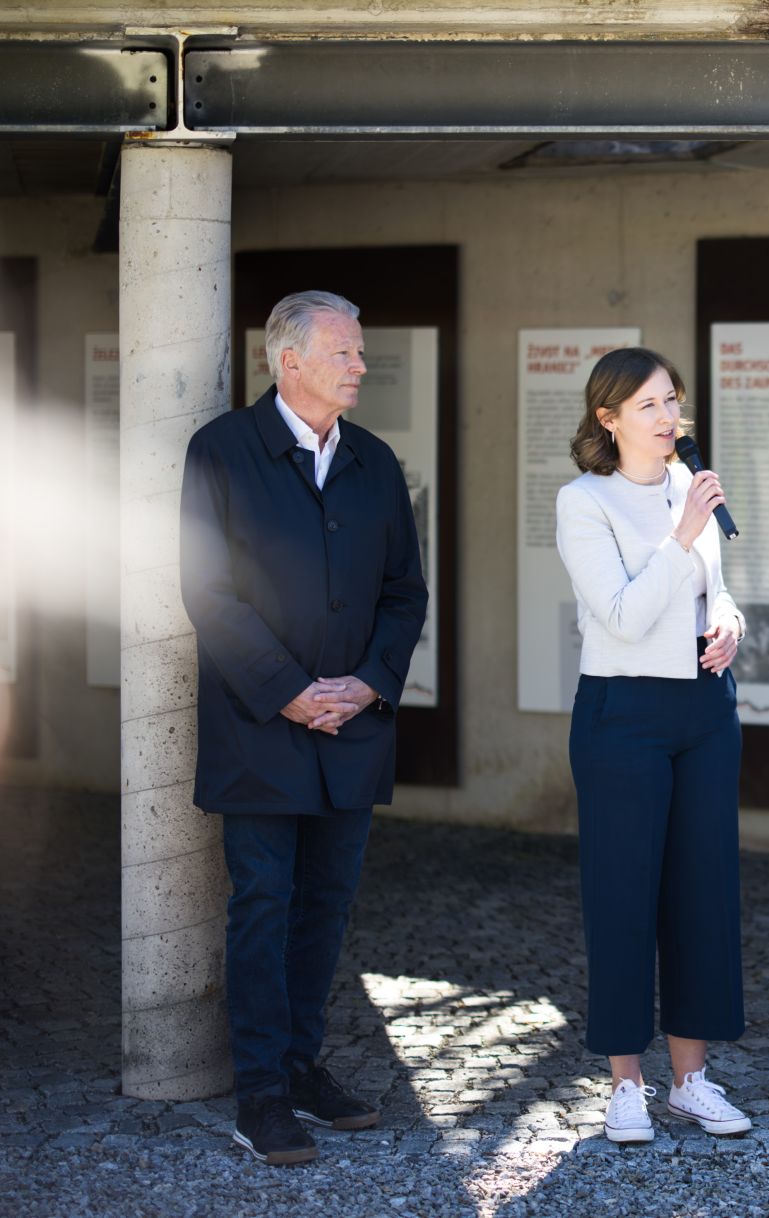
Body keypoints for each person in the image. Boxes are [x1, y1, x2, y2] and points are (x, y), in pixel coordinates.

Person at [180, 290, 428, 1166]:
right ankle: (260, 1095)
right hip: (259, 724)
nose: (361, 365)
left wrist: (368, 684)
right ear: (289, 362)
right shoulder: (222, 450)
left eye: (359, 352)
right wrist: (288, 690)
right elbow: (207, 590)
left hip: (352, 725)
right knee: (263, 902)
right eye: (345, 352)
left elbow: (405, 592)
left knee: (326, 903)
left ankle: (300, 1065)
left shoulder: (374, 460)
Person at [555, 347, 751, 1145]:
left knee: (703, 893)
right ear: (609, 419)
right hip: (623, 714)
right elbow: (624, 616)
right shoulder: (583, 502)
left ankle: (692, 1082)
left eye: (672, 399)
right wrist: (684, 532)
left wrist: (730, 620)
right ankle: (626, 1084)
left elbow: (714, 588)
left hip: (704, 711)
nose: (670, 417)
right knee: (623, 895)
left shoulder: (688, 485)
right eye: (649, 405)